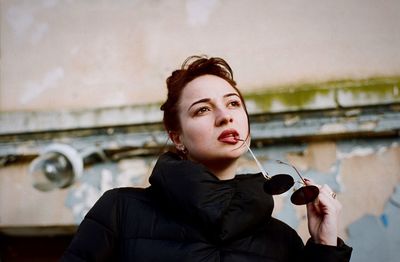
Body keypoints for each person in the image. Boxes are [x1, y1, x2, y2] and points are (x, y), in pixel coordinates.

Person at [61, 55, 352, 261]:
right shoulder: (121, 211)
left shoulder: (282, 239)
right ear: (177, 136)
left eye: (233, 104)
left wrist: (324, 246)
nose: (225, 116)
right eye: (202, 109)